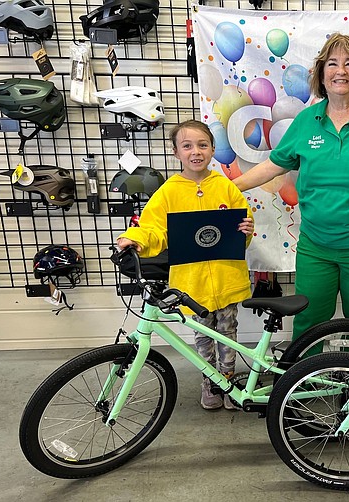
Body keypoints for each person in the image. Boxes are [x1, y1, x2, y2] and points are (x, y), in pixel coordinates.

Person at [233, 33, 349, 341]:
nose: (341, 71)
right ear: (321, 74)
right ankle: (304, 386)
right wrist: (227, 188)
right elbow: (274, 164)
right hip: (316, 247)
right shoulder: (308, 120)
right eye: (332, 64)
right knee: (308, 319)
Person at [117, 119, 254, 411]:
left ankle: (228, 382)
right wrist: (135, 239)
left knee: (228, 332)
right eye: (187, 146)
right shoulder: (169, 191)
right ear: (176, 152)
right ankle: (210, 381)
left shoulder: (225, 187)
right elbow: (154, 227)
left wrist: (246, 229)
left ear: (213, 149)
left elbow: (244, 227)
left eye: (203, 145)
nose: (196, 152)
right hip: (192, 284)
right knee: (204, 336)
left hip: (227, 277)